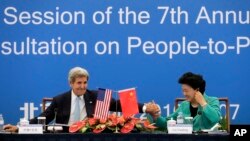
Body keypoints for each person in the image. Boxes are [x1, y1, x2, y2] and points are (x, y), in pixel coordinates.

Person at [4, 66, 154, 132]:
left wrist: (146, 108)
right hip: (65, 137)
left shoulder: (97, 95)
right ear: (71, 83)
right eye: (79, 83)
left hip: (89, 136)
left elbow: (119, 105)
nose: (82, 86)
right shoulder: (59, 99)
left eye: (85, 82)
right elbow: (44, 118)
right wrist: (20, 128)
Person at [148, 72, 221, 131]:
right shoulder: (184, 105)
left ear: (197, 90)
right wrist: (155, 115)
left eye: (186, 91)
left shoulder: (212, 101)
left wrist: (203, 103)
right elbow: (166, 124)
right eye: (183, 91)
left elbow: (215, 119)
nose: (184, 94)